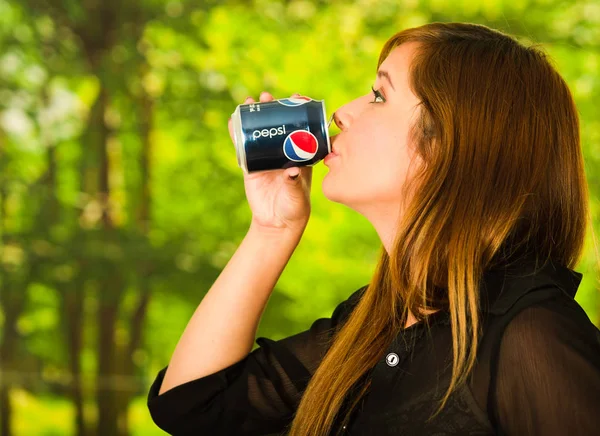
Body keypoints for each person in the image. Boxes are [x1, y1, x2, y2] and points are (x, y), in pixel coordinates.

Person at [147, 22, 600, 435]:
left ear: (448, 144)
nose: (341, 112)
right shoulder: (372, 326)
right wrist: (271, 229)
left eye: (379, 95)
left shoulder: (531, 336)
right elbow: (190, 407)